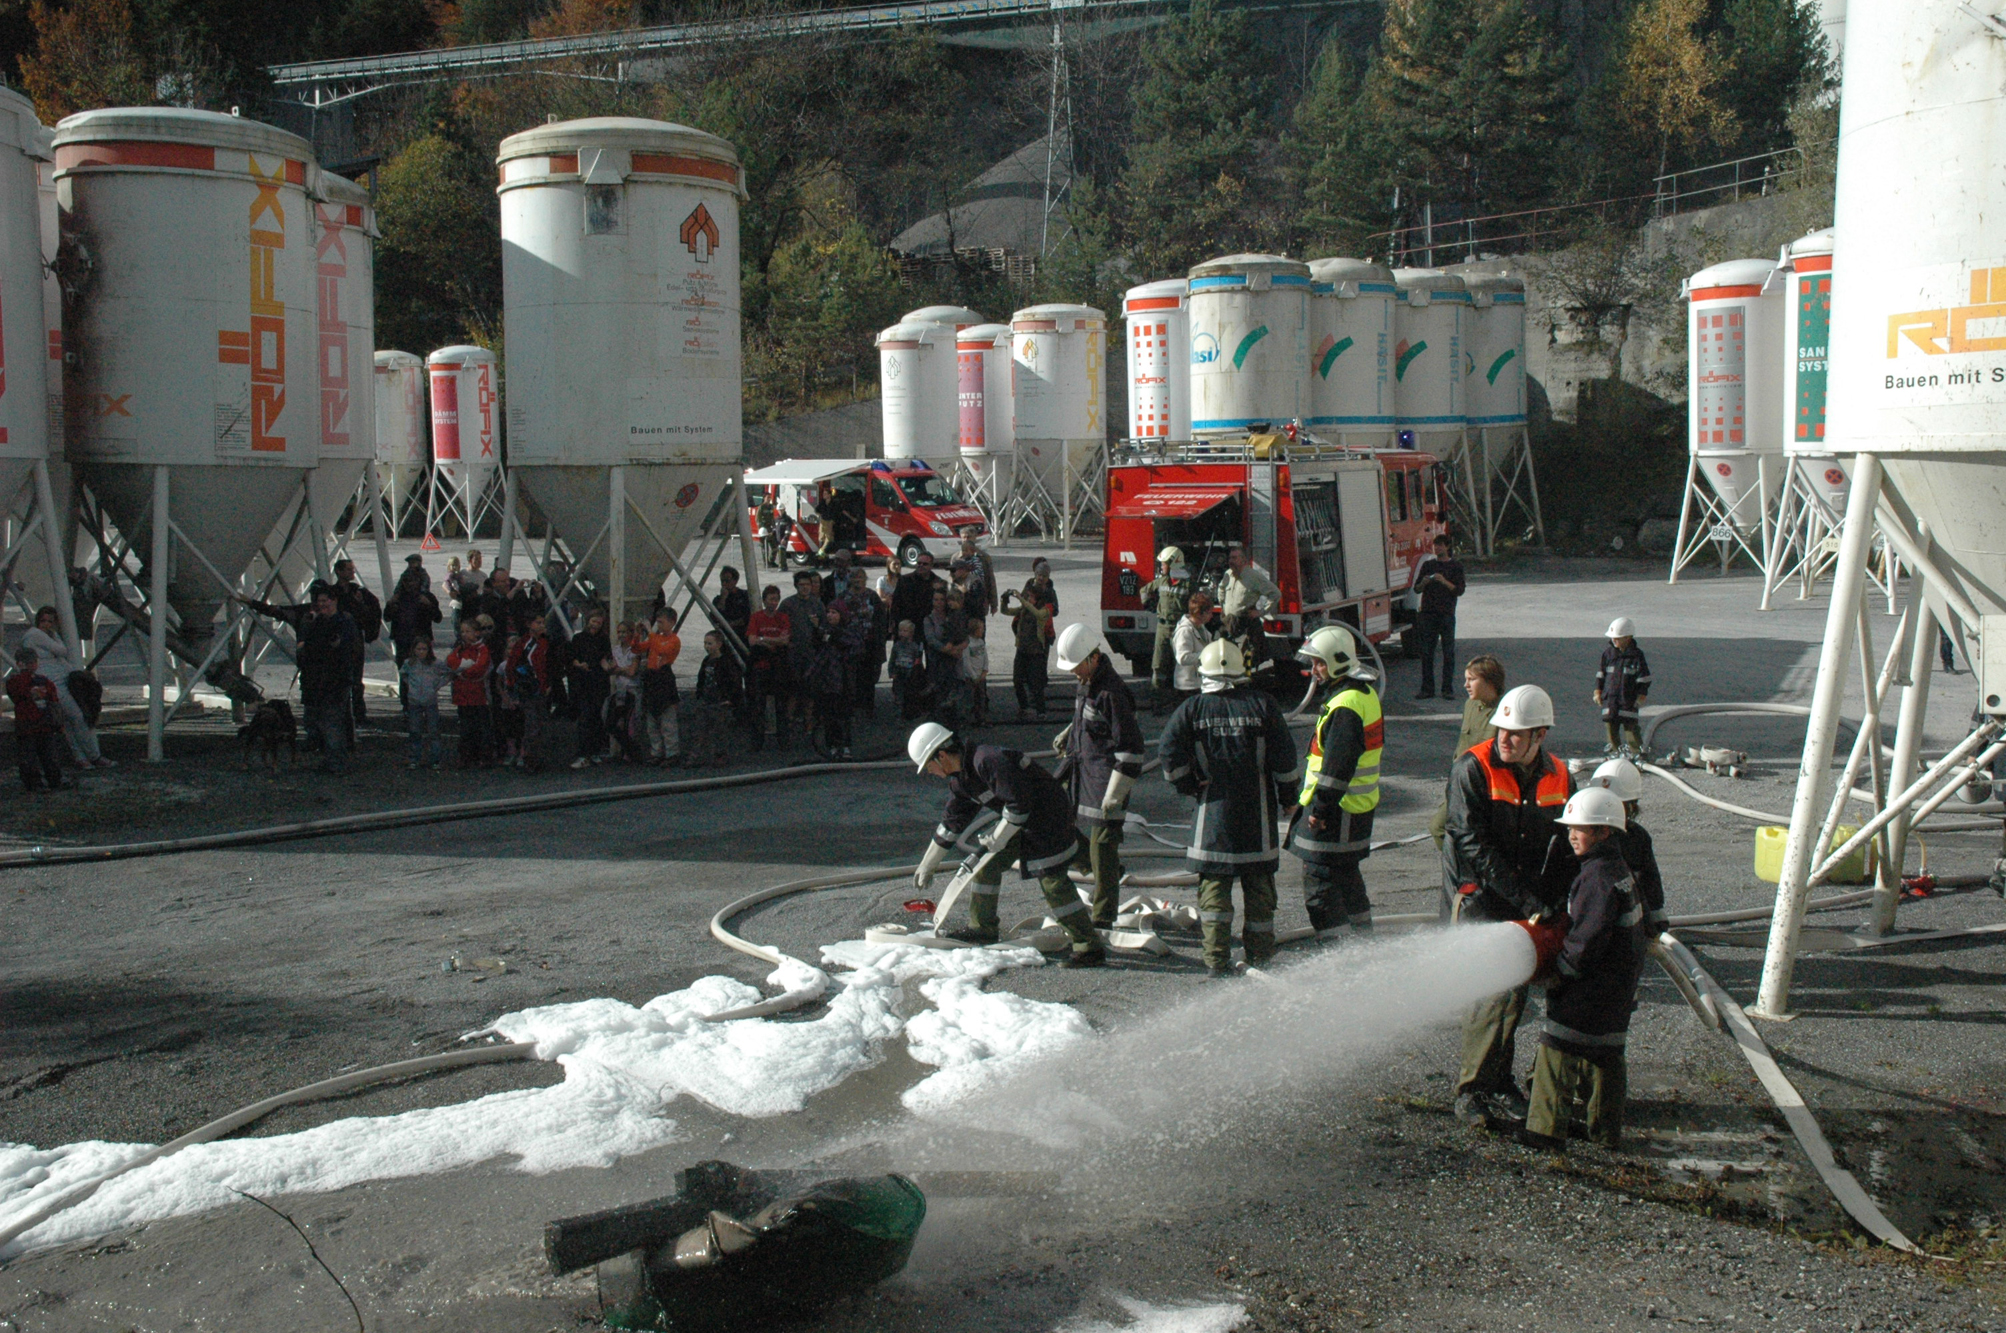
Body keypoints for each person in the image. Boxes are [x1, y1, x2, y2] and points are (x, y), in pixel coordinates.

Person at [1442, 683, 1576, 1126]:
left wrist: (1558, 900)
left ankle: (1498, 1082)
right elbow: (1470, 842)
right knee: (1490, 997)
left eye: (1516, 734)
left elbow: (1567, 842)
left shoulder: (1560, 775)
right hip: (1482, 899)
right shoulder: (1473, 767)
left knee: (1514, 995)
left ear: (1540, 735)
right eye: (1502, 730)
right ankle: (1471, 1091)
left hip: (1527, 902)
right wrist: (1528, 900)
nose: (1505, 739)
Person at [907, 723, 1106, 967]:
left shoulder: (987, 760)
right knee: (985, 865)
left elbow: (1019, 804)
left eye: (928, 766)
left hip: (1049, 818)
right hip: (1020, 822)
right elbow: (952, 822)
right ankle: (982, 929)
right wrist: (928, 863)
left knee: (1052, 882)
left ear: (941, 755)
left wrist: (998, 837)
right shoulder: (963, 779)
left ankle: (1089, 947)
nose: (930, 772)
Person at [1159, 639, 1300, 978]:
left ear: (1204, 673)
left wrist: (1189, 785)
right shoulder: (1263, 705)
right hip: (1257, 820)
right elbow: (1285, 759)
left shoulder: (1192, 709)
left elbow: (1168, 751)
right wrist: (1288, 799)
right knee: (1260, 893)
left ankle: (1215, 962)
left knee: (1214, 896)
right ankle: (1260, 958)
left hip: (1213, 819)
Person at [1524, 787, 1650, 1150]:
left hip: (1590, 987)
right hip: (1617, 985)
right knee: (1606, 1054)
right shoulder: (1618, 869)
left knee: (1557, 1047)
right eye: (1570, 828)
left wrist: (1559, 973)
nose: (1571, 835)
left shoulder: (1596, 878)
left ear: (1603, 831)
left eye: (1580, 828)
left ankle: (1544, 1133)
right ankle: (1604, 1131)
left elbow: (1586, 940)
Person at [1287, 625, 1383, 940]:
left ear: (1338, 662)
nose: (1314, 669)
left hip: (1337, 811)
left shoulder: (1345, 706)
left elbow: (1336, 768)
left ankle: (1338, 953)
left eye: (1320, 663)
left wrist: (1320, 809)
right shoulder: (1361, 695)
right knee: (1346, 877)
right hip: (1353, 808)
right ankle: (1364, 943)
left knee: (1321, 886)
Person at [1054, 623, 1145, 929]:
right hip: (1083, 772)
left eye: (1075, 665)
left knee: (1102, 846)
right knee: (1061, 828)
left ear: (1092, 658)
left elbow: (1131, 748)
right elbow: (1089, 716)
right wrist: (1071, 732)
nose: (1072, 672)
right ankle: (1108, 873)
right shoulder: (1088, 681)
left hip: (1106, 780)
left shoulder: (1112, 693)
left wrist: (1116, 793)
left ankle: (1103, 917)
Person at [1430, 654, 1505, 848]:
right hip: (1461, 783)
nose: (1465, 685)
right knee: (1438, 827)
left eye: (1472, 679)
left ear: (1489, 681)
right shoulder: (1470, 705)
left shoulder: (1504, 712)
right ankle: (1460, 863)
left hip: (1485, 789)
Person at [1587, 757, 1668, 934]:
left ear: (1630, 806)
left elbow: (1651, 885)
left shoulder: (1637, 837)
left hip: (1626, 930)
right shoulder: (1581, 836)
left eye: (1612, 803)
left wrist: (1656, 923)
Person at [22, 607, 108, 769]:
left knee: (69, 721)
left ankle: (81, 757)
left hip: (60, 680)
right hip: (52, 682)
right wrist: (55, 636)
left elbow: (60, 657)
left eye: (50, 621)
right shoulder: (36, 635)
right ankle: (93, 756)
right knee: (77, 717)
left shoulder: (45, 637)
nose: (46, 625)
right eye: (43, 621)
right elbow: (62, 651)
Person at [297, 586, 360, 773]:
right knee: (324, 721)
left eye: (325, 601)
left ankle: (337, 762)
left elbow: (343, 648)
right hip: (318, 680)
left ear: (334, 601)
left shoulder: (343, 622)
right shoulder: (317, 622)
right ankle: (332, 759)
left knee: (332, 722)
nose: (322, 604)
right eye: (319, 601)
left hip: (335, 680)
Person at [1410, 534, 1466, 699]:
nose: (1437, 548)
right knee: (1427, 653)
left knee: (1448, 653)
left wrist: (1443, 581)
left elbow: (1459, 590)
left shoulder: (1456, 566)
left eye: (1440, 545)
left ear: (1447, 547)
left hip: (1446, 614)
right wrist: (1424, 582)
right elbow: (1416, 589)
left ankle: (1447, 689)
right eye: (1436, 545)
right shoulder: (1428, 565)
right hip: (1428, 614)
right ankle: (1427, 689)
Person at [332, 558, 382, 729]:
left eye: (352, 569)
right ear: (339, 571)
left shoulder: (357, 591)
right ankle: (342, 714)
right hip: (337, 640)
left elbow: (373, 608)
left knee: (356, 679)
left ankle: (359, 714)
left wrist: (361, 605)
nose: (352, 572)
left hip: (354, 640)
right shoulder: (333, 593)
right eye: (348, 569)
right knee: (340, 679)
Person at [7, 648, 67, 791]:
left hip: (28, 722)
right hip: (39, 721)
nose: (33, 665)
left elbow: (16, 695)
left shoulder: (14, 681)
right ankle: (51, 780)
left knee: (32, 756)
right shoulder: (43, 681)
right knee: (46, 755)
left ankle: (38, 782)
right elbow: (53, 700)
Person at [384, 565, 442, 707]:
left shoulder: (426, 597)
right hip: (403, 641)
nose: (410, 584)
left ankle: (427, 703)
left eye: (413, 581)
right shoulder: (398, 597)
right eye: (407, 581)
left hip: (421, 642)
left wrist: (429, 605)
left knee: (426, 674)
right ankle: (406, 705)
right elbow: (387, 617)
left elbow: (438, 618)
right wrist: (390, 605)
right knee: (405, 674)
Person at [1138, 547, 1189, 704]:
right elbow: (1144, 591)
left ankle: (1179, 700)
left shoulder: (1188, 584)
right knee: (1158, 664)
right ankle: (1157, 700)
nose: (1161, 567)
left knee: (1180, 665)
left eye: (1164, 564)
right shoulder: (1161, 581)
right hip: (1162, 628)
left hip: (1180, 629)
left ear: (1174, 563)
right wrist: (1150, 605)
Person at [780, 571, 825, 746]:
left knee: (810, 692)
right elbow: (780, 626)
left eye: (808, 584)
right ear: (796, 586)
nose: (805, 588)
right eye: (801, 585)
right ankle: (789, 725)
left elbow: (824, 628)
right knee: (792, 691)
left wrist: (818, 625)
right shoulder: (788, 604)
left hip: (811, 654)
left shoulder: (817, 603)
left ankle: (809, 724)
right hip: (793, 654)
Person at [1595, 617, 1651, 756]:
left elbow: (1644, 678)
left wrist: (1641, 695)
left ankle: (1637, 754)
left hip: (1628, 700)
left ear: (1628, 637)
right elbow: (1601, 675)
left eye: (1618, 638)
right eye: (1613, 637)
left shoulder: (1636, 656)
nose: (1614, 640)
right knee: (1610, 727)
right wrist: (1597, 691)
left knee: (1631, 728)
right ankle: (1615, 754)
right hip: (1610, 699)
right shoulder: (1608, 654)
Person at [690, 630, 745, 767]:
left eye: (710, 643)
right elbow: (701, 678)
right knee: (700, 729)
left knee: (720, 730)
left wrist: (731, 699)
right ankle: (697, 756)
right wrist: (699, 694)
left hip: (721, 701)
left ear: (719, 644)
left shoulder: (727, 662)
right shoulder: (706, 661)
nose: (706, 646)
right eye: (705, 643)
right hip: (707, 699)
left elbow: (735, 682)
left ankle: (720, 755)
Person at [568, 608, 615, 769]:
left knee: (596, 717)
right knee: (585, 718)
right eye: (594, 621)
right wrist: (579, 665)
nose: (596, 625)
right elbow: (572, 658)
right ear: (588, 621)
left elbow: (604, 658)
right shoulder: (578, 638)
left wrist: (609, 668)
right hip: (583, 682)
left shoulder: (603, 639)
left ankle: (594, 751)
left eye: (599, 623)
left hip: (598, 682)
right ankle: (583, 754)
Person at [745, 585, 791, 749]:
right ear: (764, 600)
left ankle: (783, 740)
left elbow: (785, 641)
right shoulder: (756, 617)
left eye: (776, 599)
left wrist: (763, 639)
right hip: (760, 666)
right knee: (758, 705)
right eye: (771, 599)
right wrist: (772, 640)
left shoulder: (783, 617)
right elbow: (752, 641)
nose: (774, 603)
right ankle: (757, 741)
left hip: (778, 666)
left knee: (781, 705)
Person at [508, 614, 554, 771]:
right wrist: (514, 687)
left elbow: (551, 665)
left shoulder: (546, 643)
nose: (541, 625)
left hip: (542, 689)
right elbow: (511, 666)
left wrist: (549, 684)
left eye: (543, 622)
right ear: (529, 624)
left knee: (541, 724)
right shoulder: (523, 643)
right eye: (538, 622)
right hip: (527, 690)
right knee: (532, 724)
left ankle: (538, 757)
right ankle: (529, 758)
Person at [808, 605, 854, 760]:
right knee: (828, 715)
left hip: (843, 678)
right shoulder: (823, 630)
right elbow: (816, 648)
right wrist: (817, 630)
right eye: (828, 612)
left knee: (843, 715)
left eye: (834, 612)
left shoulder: (848, 631)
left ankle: (845, 746)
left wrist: (832, 636)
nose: (830, 615)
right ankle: (832, 746)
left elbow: (852, 648)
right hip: (826, 679)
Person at [1001, 585, 1052, 720]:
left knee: (1036, 683)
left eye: (1031, 597)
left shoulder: (1044, 611)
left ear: (1038, 599)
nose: (1029, 599)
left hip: (1036, 653)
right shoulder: (1024, 609)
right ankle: (1024, 707)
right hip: (1022, 650)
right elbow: (1005, 611)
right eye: (1028, 596)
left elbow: (1037, 613)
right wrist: (1004, 600)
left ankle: (1041, 711)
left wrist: (1021, 598)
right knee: (1017, 680)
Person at [447, 620, 493, 767]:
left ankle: (483, 756)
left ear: (477, 633)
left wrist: (461, 671)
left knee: (480, 726)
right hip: (462, 695)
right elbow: (450, 661)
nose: (464, 634)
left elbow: (480, 668)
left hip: (478, 695)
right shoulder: (460, 648)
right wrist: (464, 667)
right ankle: (466, 756)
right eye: (463, 632)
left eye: (467, 631)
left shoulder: (482, 649)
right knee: (466, 727)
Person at [642, 608, 683, 765]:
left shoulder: (674, 640)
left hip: (664, 677)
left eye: (661, 622)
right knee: (652, 721)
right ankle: (656, 752)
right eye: (657, 622)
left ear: (672, 623)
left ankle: (672, 753)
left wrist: (649, 632)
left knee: (668, 720)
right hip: (652, 678)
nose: (659, 625)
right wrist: (637, 635)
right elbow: (640, 648)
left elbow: (663, 650)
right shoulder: (656, 638)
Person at [401, 637, 450, 769]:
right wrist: (411, 686)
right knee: (414, 731)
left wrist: (437, 685)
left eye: (424, 649)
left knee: (433, 731)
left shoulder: (436, 663)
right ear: (413, 650)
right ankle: (414, 758)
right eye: (419, 649)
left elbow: (448, 673)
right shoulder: (409, 663)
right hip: (414, 701)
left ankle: (435, 759)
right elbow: (404, 674)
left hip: (430, 700)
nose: (421, 652)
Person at [923, 588, 969, 724]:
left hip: (955, 660)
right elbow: (931, 640)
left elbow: (965, 637)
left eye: (942, 600)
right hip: (938, 661)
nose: (938, 603)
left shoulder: (955, 615)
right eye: (935, 600)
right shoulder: (929, 619)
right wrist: (948, 650)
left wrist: (958, 648)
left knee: (955, 689)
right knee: (940, 692)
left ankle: (955, 721)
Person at [607, 621, 645, 762]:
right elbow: (613, 669)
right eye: (619, 632)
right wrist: (624, 669)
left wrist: (619, 670)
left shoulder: (635, 650)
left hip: (633, 690)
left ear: (630, 633)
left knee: (631, 723)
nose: (621, 635)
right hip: (620, 689)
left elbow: (632, 672)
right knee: (614, 722)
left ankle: (629, 753)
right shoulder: (615, 649)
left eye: (624, 632)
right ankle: (629, 749)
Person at [1217, 547, 1280, 627]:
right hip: (1229, 622)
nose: (1231, 561)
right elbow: (1221, 588)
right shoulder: (1228, 574)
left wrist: (1260, 612)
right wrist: (1224, 606)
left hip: (1246, 624)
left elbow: (1275, 593)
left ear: (1243, 560)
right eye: (1230, 558)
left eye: (1234, 558)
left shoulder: (1253, 576)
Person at [1170, 591, 1214, 701]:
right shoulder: (1184, 631)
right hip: (1187, 687)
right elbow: (1183, 658)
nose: (1211, 616)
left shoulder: (1201, 627)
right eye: (1209, 613)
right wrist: (1208, 655)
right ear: (1199, 613)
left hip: (1199, 683)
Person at [891, 551, 942, 631]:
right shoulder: (905, 580)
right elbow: (895, 604)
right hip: (907, 625)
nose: (921, 566)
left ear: (931, 565)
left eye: (925, 564)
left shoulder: (938, 582)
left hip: (929, 625)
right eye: (919, 563)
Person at [890, 620, 928, 719]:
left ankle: (909, 711)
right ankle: (899, 712)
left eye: (905, 631)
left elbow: (917, 660)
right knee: (899, 692)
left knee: (909, 693)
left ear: (911, 633)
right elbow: (892, 660)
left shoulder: (914, 646)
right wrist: (891, 672)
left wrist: (917, 671)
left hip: (910, 672)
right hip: (899, 671)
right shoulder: (897, 646)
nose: (902, 633)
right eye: (900, 631)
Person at [960, 534, 996, 626]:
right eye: (963, 551)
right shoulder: (959, 559)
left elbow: (989, 580)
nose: (964, 553)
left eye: (966, 551)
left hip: (977, 591)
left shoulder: (978, 559)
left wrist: (993, 603)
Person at [712, 566, 752, 648]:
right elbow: (714, 617)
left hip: (742, 633)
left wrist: (732, 624)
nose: (724, 584)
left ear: (735, 581)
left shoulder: (744, 595)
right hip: (725, 635)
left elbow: (749, 615)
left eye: (727, 581)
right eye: (722, 581)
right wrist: (723, 599)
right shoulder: (718, 600)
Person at [962, 617, 990, 727]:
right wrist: (974, 676)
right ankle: (966, 720)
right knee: (969, 699)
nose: (983, 631)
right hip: (970, 677)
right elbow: (966, 662)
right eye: (981, 629)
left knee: (981, 698)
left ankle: (981, 718)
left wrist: (985, 670)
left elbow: (985, 656)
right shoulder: (968, 644)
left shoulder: (981, 642)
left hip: (980, 675)